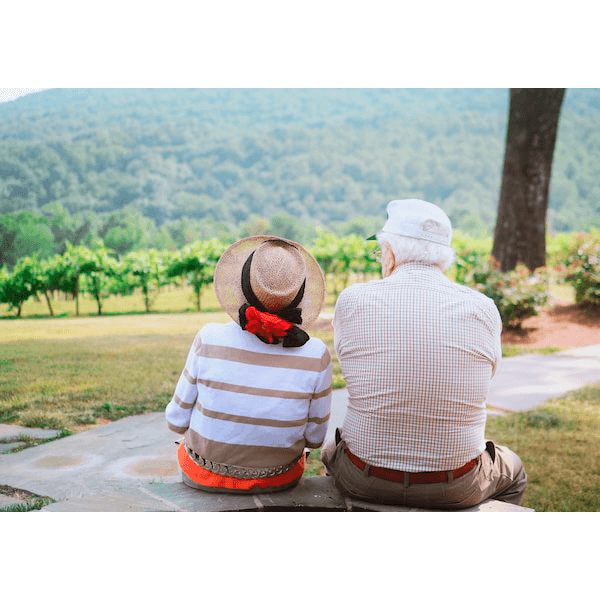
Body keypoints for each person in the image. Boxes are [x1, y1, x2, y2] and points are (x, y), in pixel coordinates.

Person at [322, 199, 528, 509]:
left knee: (330, 450)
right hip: (456, 484)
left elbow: (351, 364)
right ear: (443, 256)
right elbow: (488, 374)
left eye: (381, 251)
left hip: (363, 477)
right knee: (514, 471)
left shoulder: (353, 300)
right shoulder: (483, 308)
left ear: (390, 251)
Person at [165, 236, 332, 494]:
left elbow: (176, 420)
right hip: (280, 479)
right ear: (298, 295)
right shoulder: (316, 354)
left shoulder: (208, 338)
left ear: (242, 286)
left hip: (203, 474)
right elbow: (315, 439)